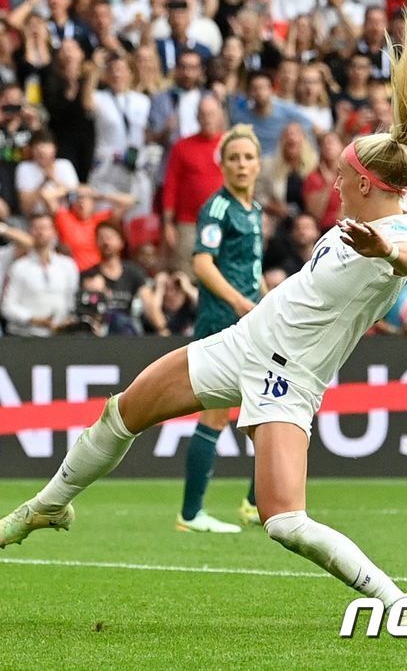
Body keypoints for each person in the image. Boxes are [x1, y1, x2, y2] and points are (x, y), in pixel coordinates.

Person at [0, 15, 407, 616]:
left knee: (284, 522)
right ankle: (44, 507)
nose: (334, 181)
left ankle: (396, 601)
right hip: (244, 340)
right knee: (122, 411)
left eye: (342, 173)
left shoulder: (388, 240)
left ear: (365, 182)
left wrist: (385, 249)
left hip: (287, 377)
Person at [177, 124, 264, 534]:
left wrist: (266, 302)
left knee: (269, 408)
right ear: (223, 165)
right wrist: (238, 302)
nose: (241, 165)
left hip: (252, 320)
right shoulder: (216, 208)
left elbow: (252, 270)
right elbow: (202, 263)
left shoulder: (254, 211)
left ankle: (255, 501)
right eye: (234, 158)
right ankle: (191, 514)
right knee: (216, 416)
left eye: (248, 157)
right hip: (222, 322)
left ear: (259, 164)